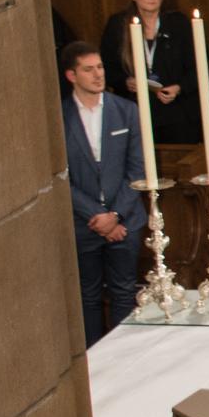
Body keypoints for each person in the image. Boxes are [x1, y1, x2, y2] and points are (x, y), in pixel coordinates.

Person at [61, 43, 146, 345]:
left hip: (124, 219)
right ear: (72, 75)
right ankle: (94, 364)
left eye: (100, 67)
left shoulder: (126, 111)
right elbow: (61, 177)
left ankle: (124, 357)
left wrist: (115, 215)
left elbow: (138, 170)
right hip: (84, 223)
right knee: (88, 296)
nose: (97, 74)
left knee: (125, 291)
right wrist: (96, 216)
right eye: (88, 69)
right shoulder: (59, 117)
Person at [96, 0, 202, 144]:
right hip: (133, 111)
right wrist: (125, 81)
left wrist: (179, 87)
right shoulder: (118, 24)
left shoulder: (178, 24)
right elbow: (106, 66)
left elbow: (200, 67)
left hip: (177, 113)